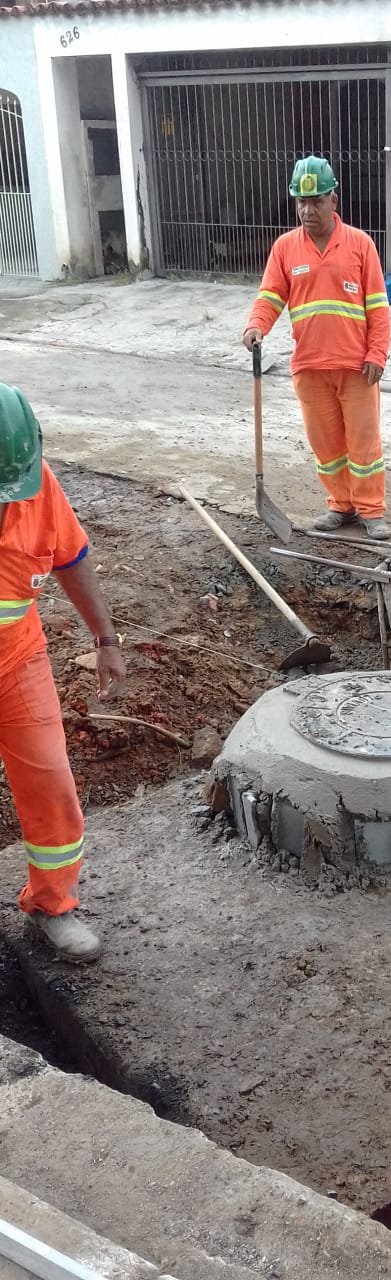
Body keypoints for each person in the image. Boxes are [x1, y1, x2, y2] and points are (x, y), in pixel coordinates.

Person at [0, 383, 125, 962]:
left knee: (50, 780)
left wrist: (106, 638)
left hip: (16, 656)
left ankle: (55, 902)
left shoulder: (32, 481)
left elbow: (71, 556)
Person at [243, 155, 391, 540]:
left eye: (316, 201)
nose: (308, 211)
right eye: (301, 202)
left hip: (357, 368)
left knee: (363, 445)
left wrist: (377, 353)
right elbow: (271, 295)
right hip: (309, 367)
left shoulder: (360, 245)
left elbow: (378, 305)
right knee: (327, 446)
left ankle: (371, 511)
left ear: (333, 200)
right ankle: (340, 505)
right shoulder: (285, 248)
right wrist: (256, 326)